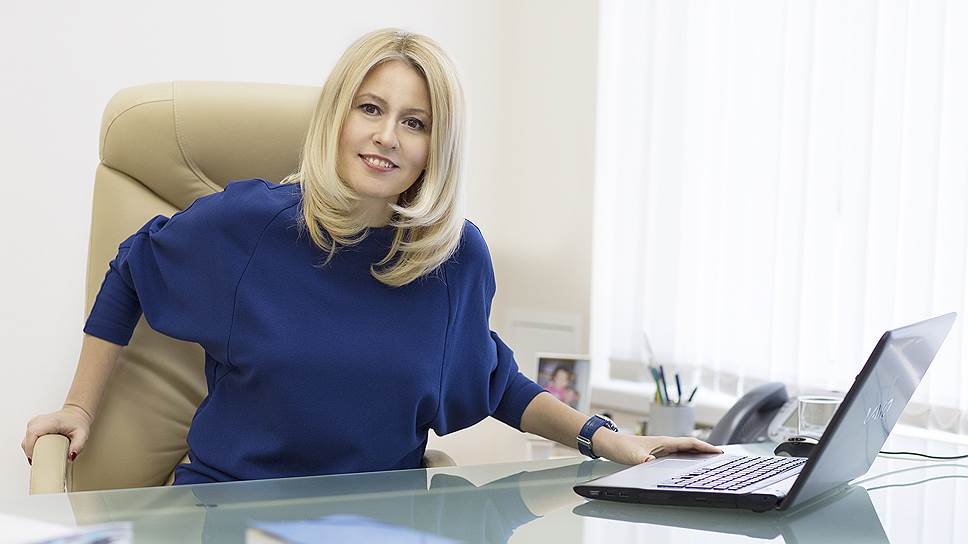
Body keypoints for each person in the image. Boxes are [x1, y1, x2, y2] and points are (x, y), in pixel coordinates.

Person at [21, 28, 721, 484]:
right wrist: (78, 408)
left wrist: (609, 440)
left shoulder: (454, 259)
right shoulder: (252, 225)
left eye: (415, 122)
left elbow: (493, 379)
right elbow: (132, 267)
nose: (388, 136)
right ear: (338, 116)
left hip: (376, 521)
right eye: (370, 109)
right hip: (231, 514)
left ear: (436, 148)